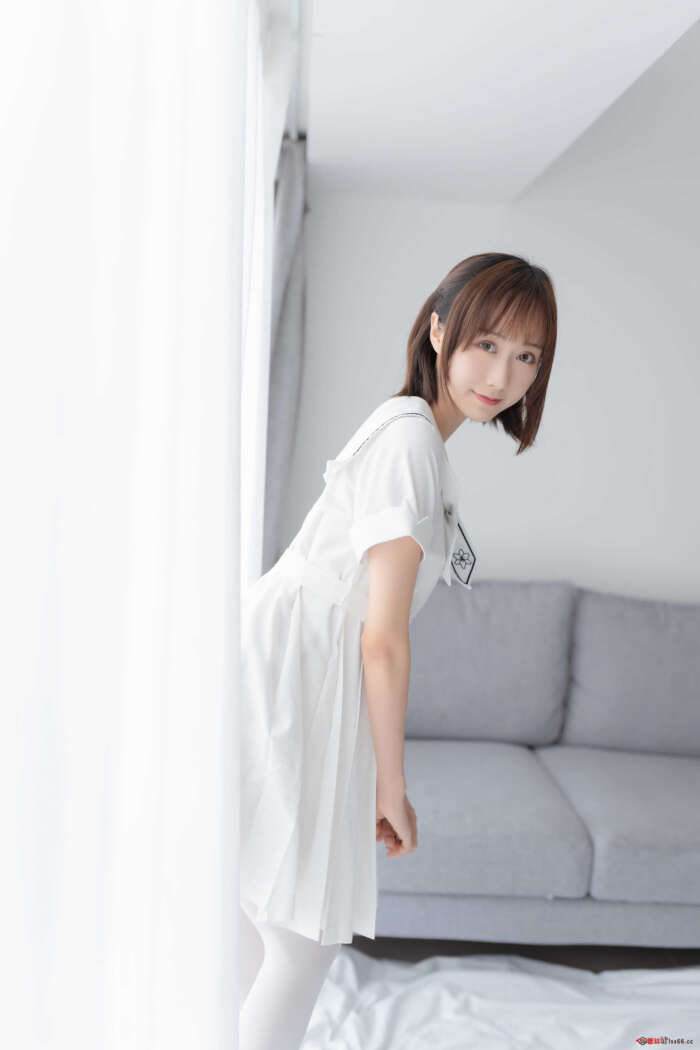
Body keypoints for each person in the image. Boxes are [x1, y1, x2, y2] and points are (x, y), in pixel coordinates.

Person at [238, 252, 558, 1050]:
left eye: (527, 356)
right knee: (300, 935)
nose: (503, 375)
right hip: (302, 669)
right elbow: (383, 638)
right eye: (487, 344)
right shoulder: (413, 440)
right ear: (440, 331)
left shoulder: (412, 432)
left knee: (263, 913)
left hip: (300, 661)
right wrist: (391, 785)